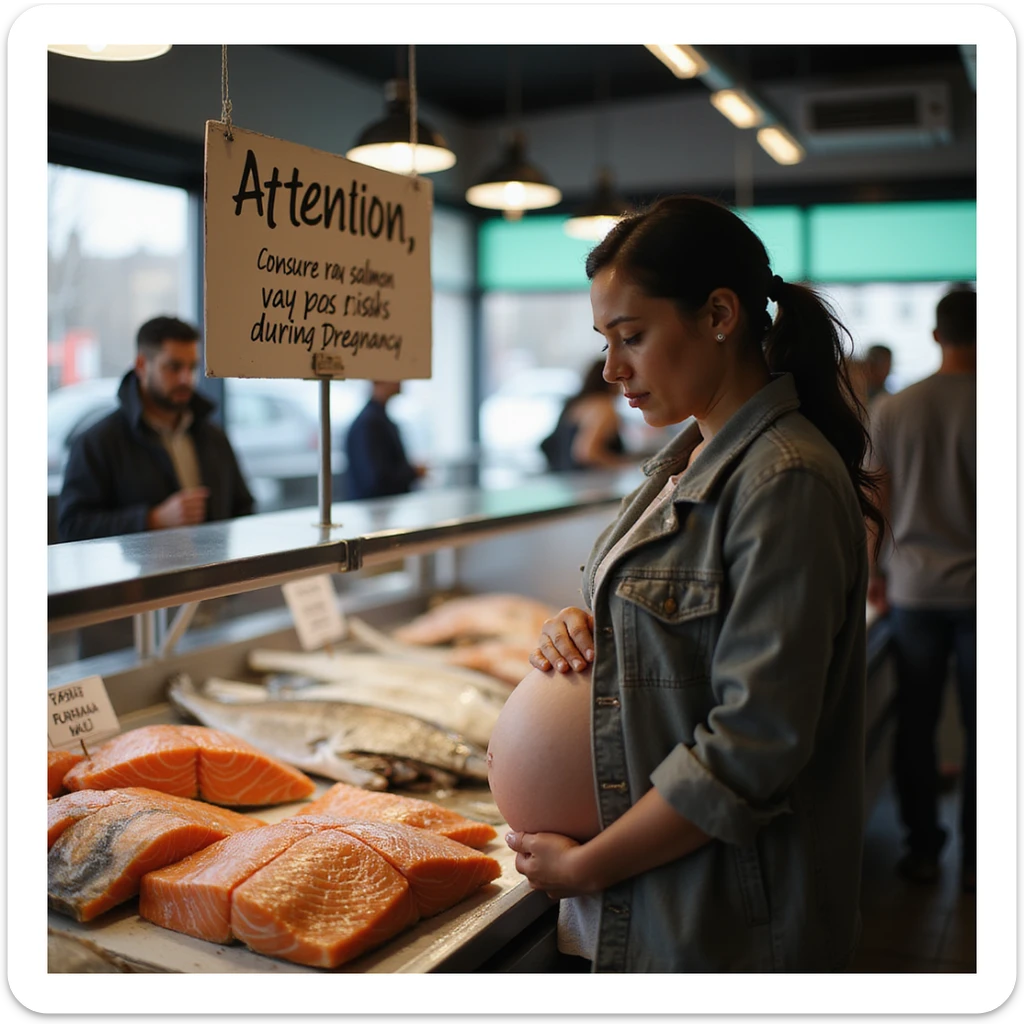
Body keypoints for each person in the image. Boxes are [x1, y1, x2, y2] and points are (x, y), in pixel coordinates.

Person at [503, 194, 884, 972]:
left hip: (726, 921)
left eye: (632, 337)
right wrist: (577, 627)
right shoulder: (685, 460)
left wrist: (587, 866)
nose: (612, 371)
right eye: (605, 343)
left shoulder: (785, 479)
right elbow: (670, 626)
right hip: (661, 901)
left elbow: (753, 747)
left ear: (719, 314)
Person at [866, 288, 976, 893]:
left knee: (916, 722)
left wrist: (875, 575)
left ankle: (922, 848)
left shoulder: (896, 407)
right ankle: (983, 858)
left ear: (936, 336)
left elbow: (874, 505)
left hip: (913, 591)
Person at [57, 316, 254, 542]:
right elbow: (72, 527)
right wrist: (151, 519)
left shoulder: (213, 436)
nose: (186, 379)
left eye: (192, 367)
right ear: (141, 365)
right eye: (173, 367)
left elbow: (244, 508)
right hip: (141, 578)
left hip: (213, 575)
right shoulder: (97, 442)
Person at [540, 359, 631, 472]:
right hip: (590, 481)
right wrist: (622, 466)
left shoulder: (576, 404)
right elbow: (587, 452)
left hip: (564, 481)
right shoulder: (603, 406)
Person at [343, 380, 426, 500]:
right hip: (374, 512)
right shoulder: (369, 423)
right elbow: (376, 480)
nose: (401, 380)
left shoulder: (378, 419)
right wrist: (413, 472)